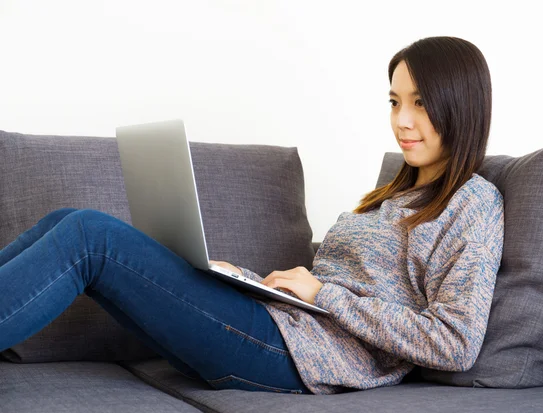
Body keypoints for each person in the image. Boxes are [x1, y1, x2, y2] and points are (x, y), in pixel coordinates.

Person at [0, 36, 504, 395]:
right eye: (394, 101)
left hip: (298, 356)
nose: (401, 121)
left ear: (461, 107)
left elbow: (455, 343)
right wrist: (242, 280)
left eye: (420, 104)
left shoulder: (473, 203)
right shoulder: (390, 195)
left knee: (91, 237)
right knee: (65, 219)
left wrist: (323, 293)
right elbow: (326, 288)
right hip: (276, 324)